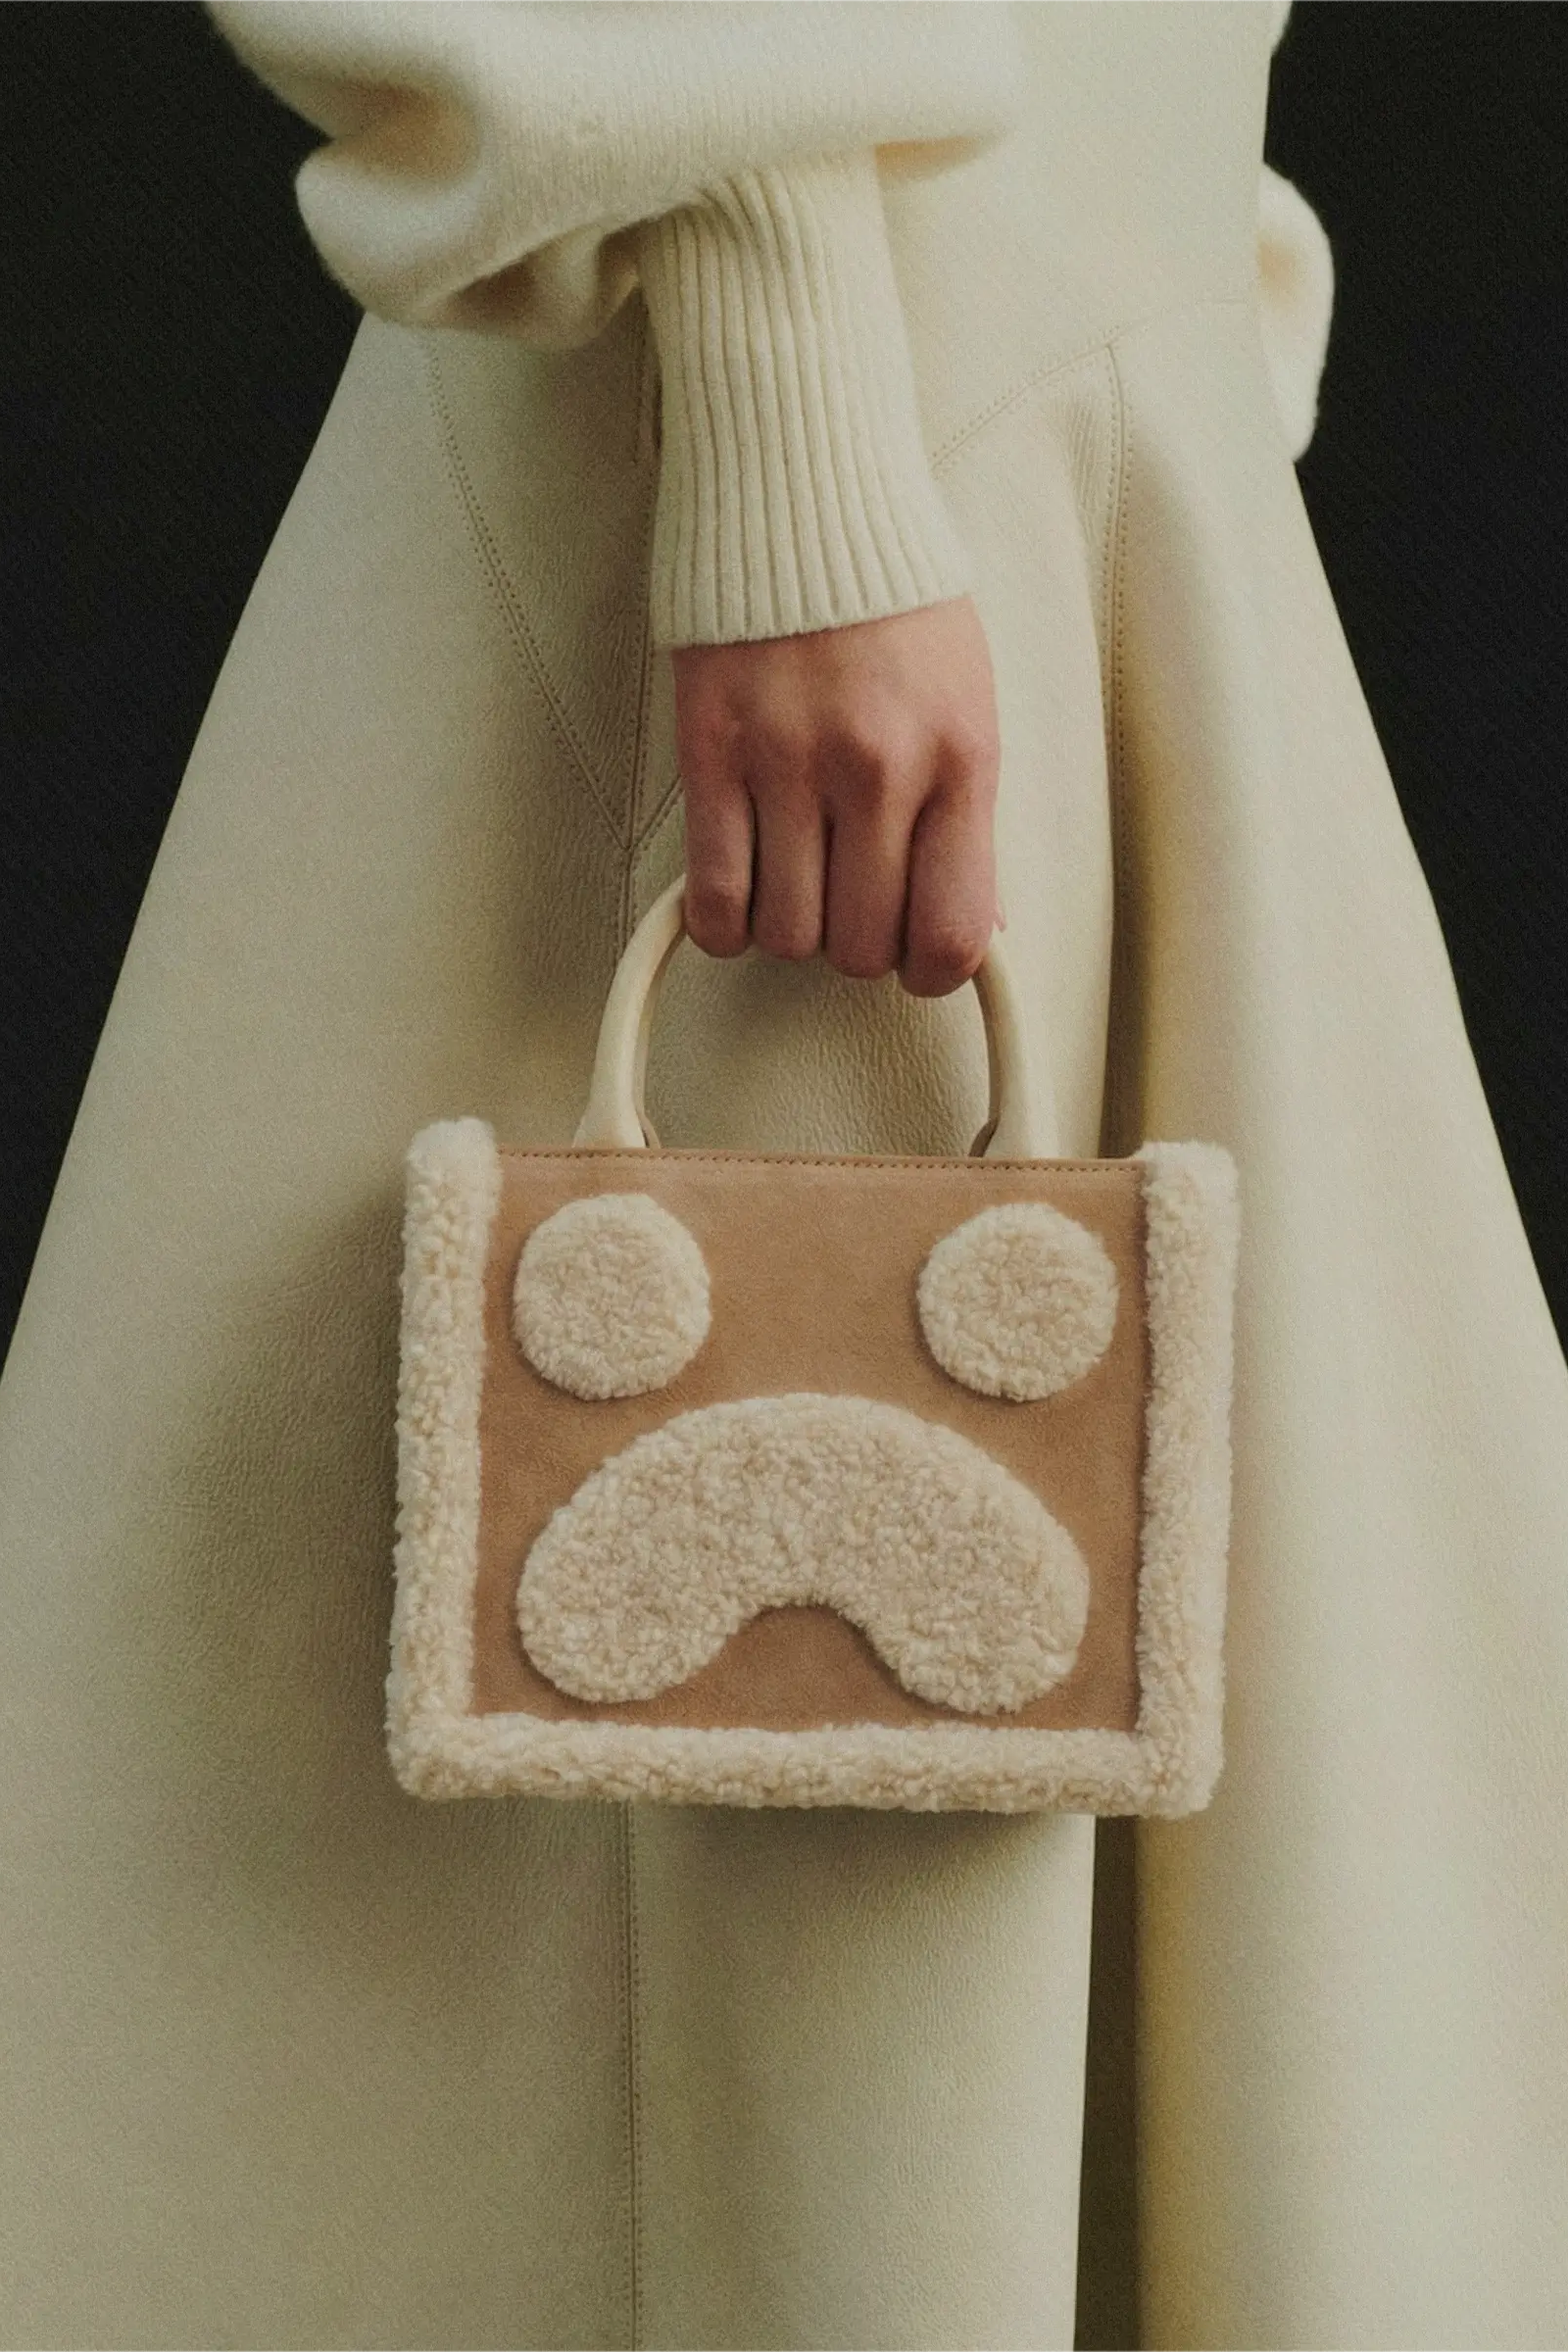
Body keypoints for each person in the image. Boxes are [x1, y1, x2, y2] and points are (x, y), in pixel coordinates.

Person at [2, 1, 1565, 2345]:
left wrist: (1165, 266)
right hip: (834, 472)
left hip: (1043, 445)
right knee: (801, 1970)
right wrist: (786, 389)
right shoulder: (809, 425)